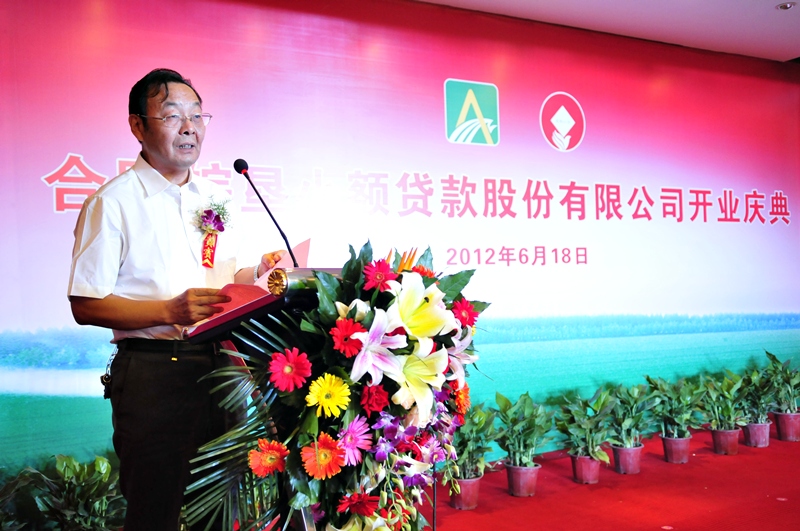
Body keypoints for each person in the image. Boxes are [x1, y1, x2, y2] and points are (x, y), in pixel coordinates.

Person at [68, 68, 284, 531]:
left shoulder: (216, 198)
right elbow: (85, 304)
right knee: (155, 512)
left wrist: (257, 275)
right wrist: (169, 311)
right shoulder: (113, 203)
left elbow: (225, 278)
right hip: (153, 374)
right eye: (172, 116)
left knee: (221, 511)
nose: (189, 127)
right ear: (138, 125)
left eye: (197, 116)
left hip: (222, 369)